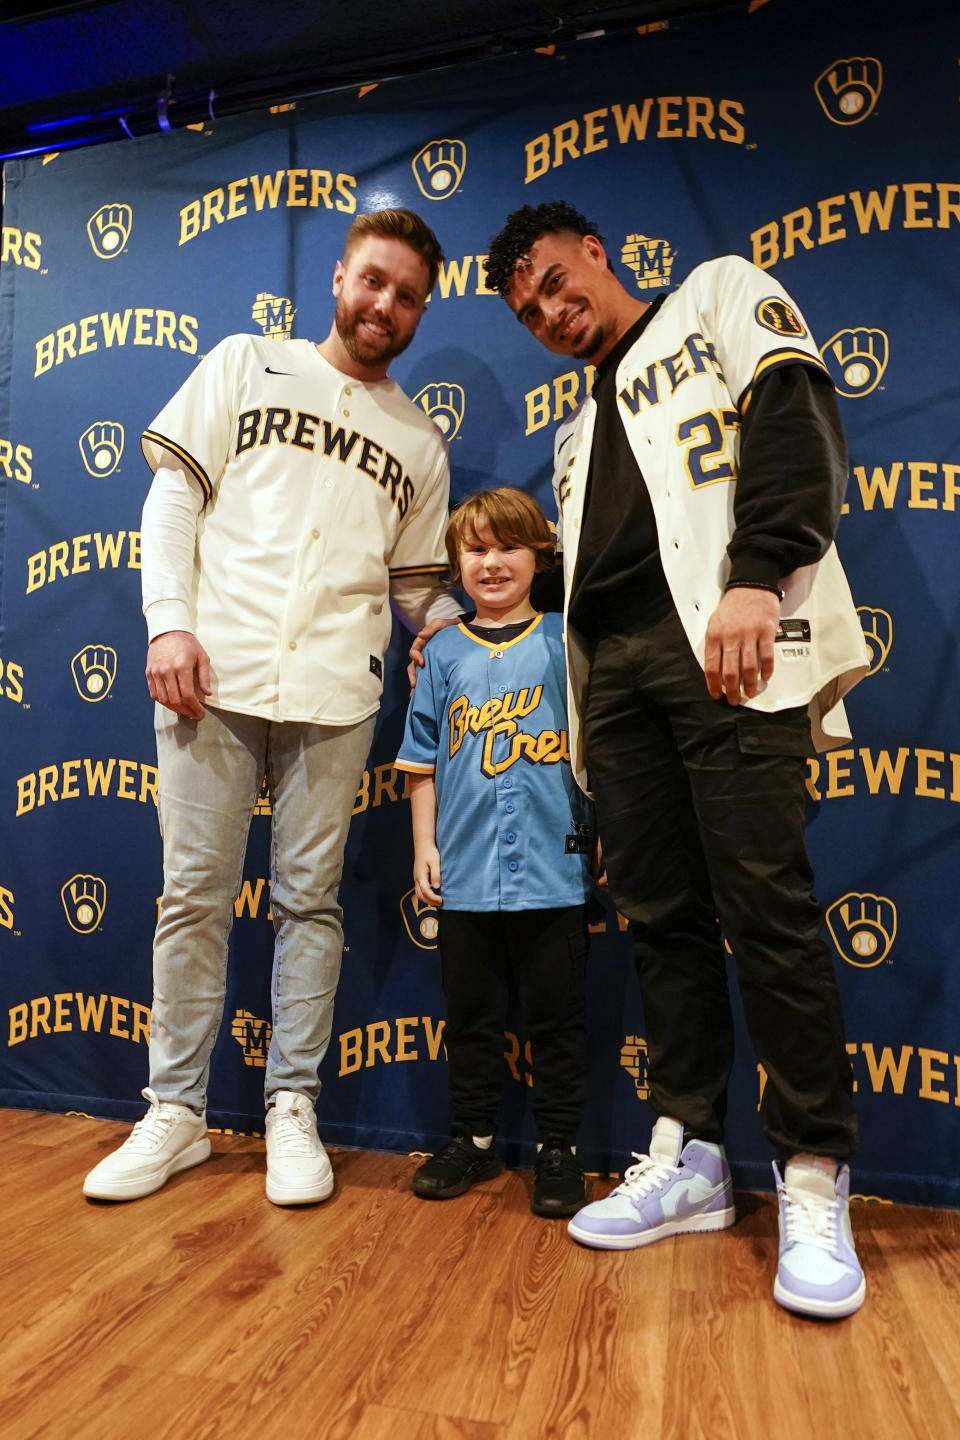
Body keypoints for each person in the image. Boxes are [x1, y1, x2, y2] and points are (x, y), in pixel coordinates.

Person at [481, 200, 871, 1317]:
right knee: (660, 919)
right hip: (615, 681)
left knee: (767, 906)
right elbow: (590, 575)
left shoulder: (713, 295)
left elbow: (795, 417)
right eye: (530, 311)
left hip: (725, 645)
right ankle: (694, 1153)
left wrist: (758, 573)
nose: (551, 313)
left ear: (600, 254)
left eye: (558, 283)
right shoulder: (572, 434)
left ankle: (812, 1172)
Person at [83, 208, 461, 1207]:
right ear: (339, 279)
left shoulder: (419, 439)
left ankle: (293, 1103)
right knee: (194, 896)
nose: (386, 304)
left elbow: (417, 588)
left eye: (408, 294)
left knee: (310, 904)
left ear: (423, 311)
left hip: (336, 695)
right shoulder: (248, 361)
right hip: (216, 670)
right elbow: (173, 499)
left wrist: (469, 632)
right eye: (373, 281)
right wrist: (169, 623)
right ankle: (176, 1114)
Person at [396, 488, 594, 1217]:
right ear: (454, 565)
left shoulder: (567, 637)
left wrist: (604, 836)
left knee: (558, 1019)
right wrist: (424, 843)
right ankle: (472, 1140)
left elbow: (595, 747)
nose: (491, 562)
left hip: (556, 865)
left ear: (541, 557)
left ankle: (560, 1149)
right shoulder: (443, 648)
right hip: (468, 870)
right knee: (472, 1016)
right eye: (474, 550)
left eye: (508, 546)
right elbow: (421, 758)